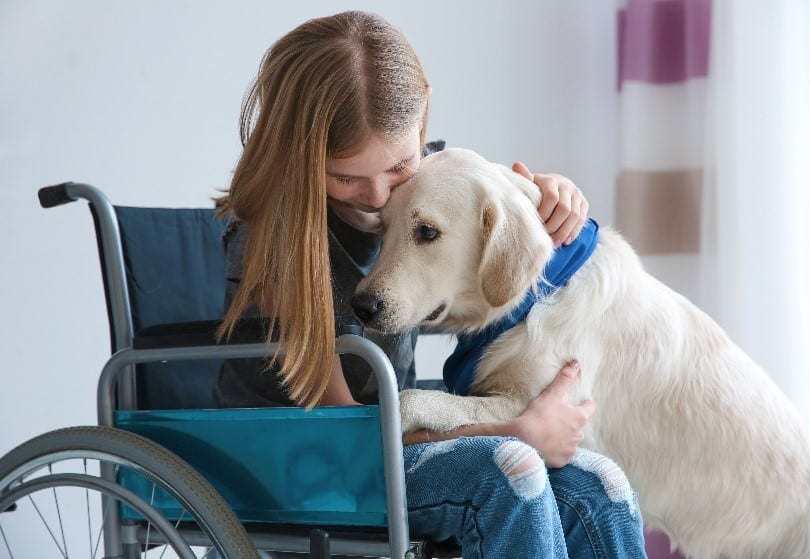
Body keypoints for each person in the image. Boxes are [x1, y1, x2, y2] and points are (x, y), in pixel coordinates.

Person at [213, 10, 647, 559]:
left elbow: (482, 234)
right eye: (345, 176)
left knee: (599, 486)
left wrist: (546, 196)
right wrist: (517, 430)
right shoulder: (279, 243)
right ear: (298, 154)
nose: (375, 196)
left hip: (391, 441)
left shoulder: (420, 194)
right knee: (508, 469)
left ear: (421, 122)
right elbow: (348, 435)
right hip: (306, 463)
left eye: (398, 166)